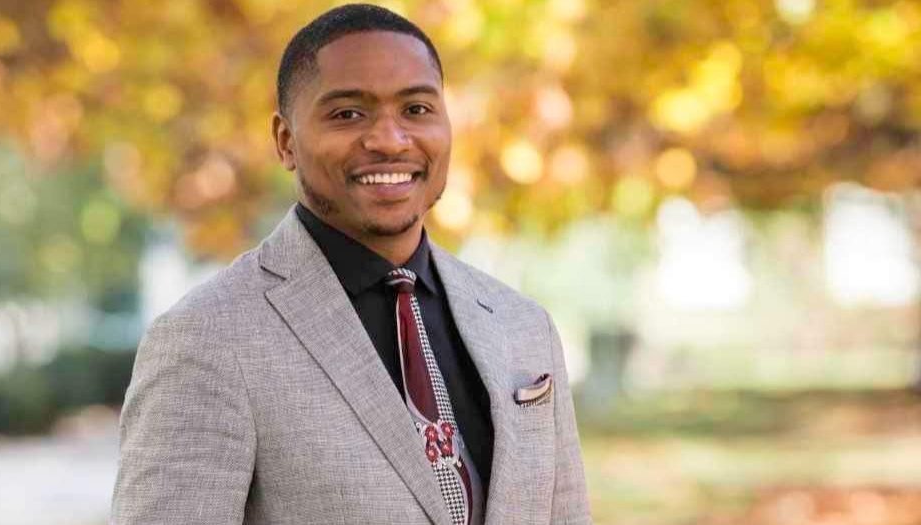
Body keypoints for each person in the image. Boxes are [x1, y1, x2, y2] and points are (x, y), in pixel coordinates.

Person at [110, 4, 591, 524]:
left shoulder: (523, 326)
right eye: (347, 114)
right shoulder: (208, 339)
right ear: (285, 140)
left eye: (416, 110)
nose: (389, 140)